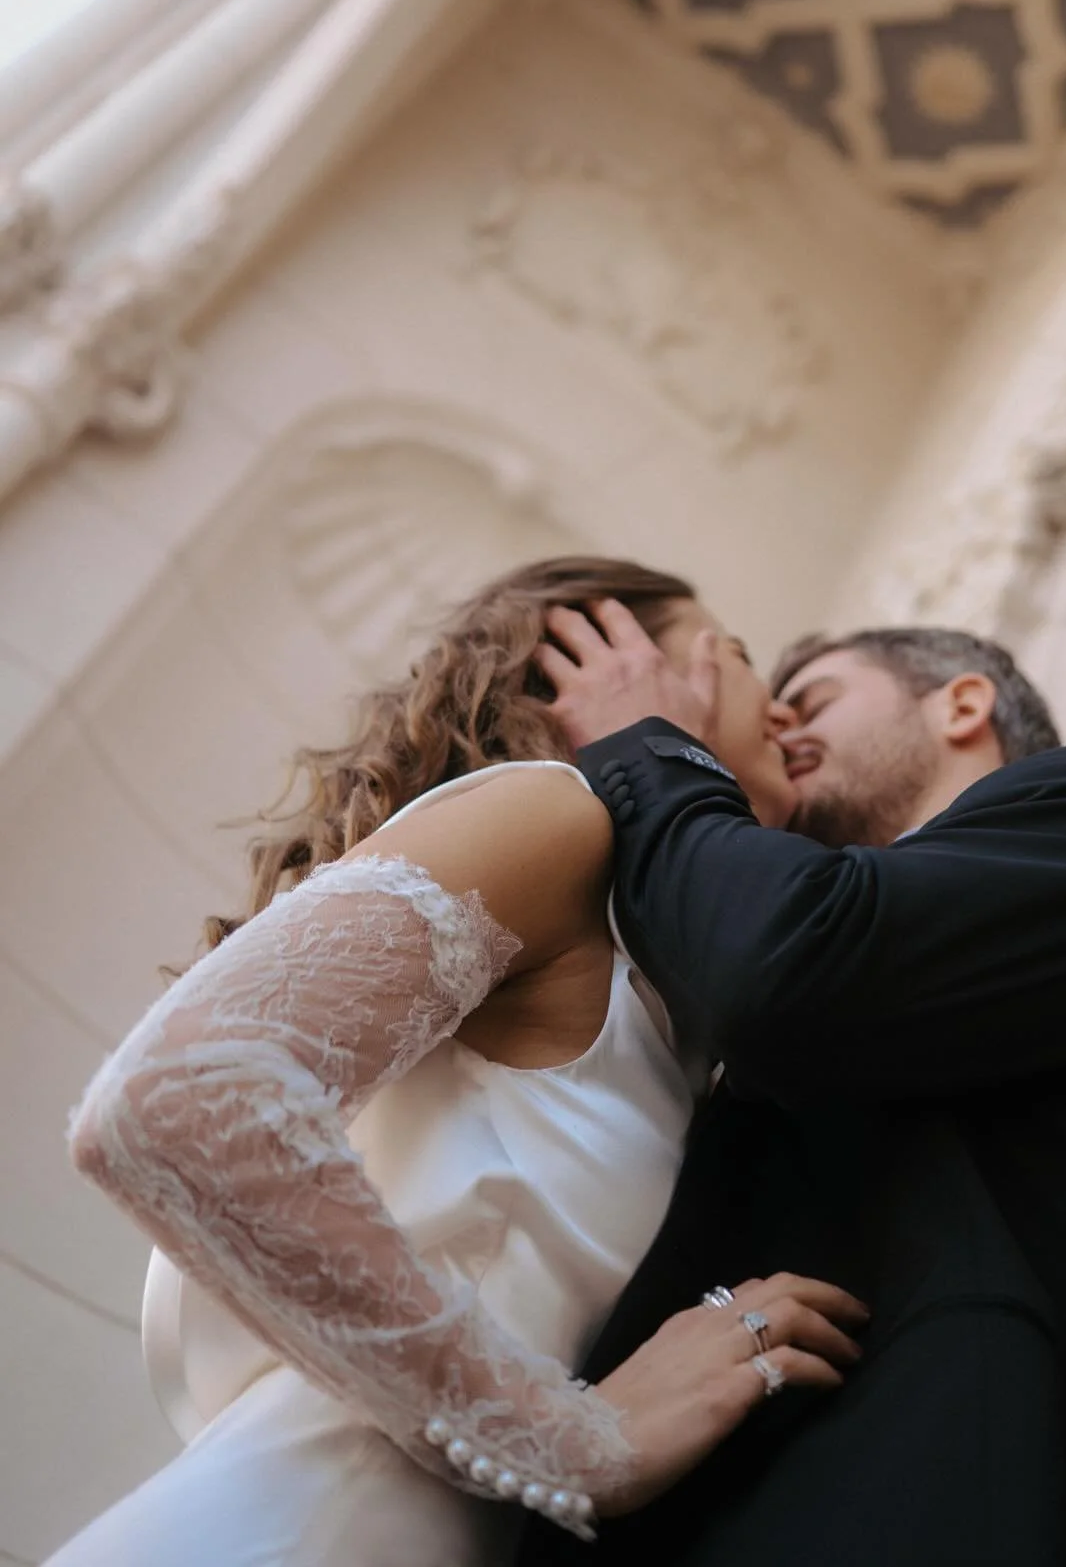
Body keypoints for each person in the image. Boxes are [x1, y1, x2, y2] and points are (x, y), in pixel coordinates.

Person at [45, 558, 867, 1567]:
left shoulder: (667, 990)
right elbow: (180, 1097)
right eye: (743, 662)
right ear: (610, 664)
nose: (784, 716)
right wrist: (580, 1443)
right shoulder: (559, 816)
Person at [518, 607, 1066, 1567]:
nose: (777, 728)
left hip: (920, 1498)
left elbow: (784, 969)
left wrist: (650, 749)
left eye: (810, 701)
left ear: (961, 704)